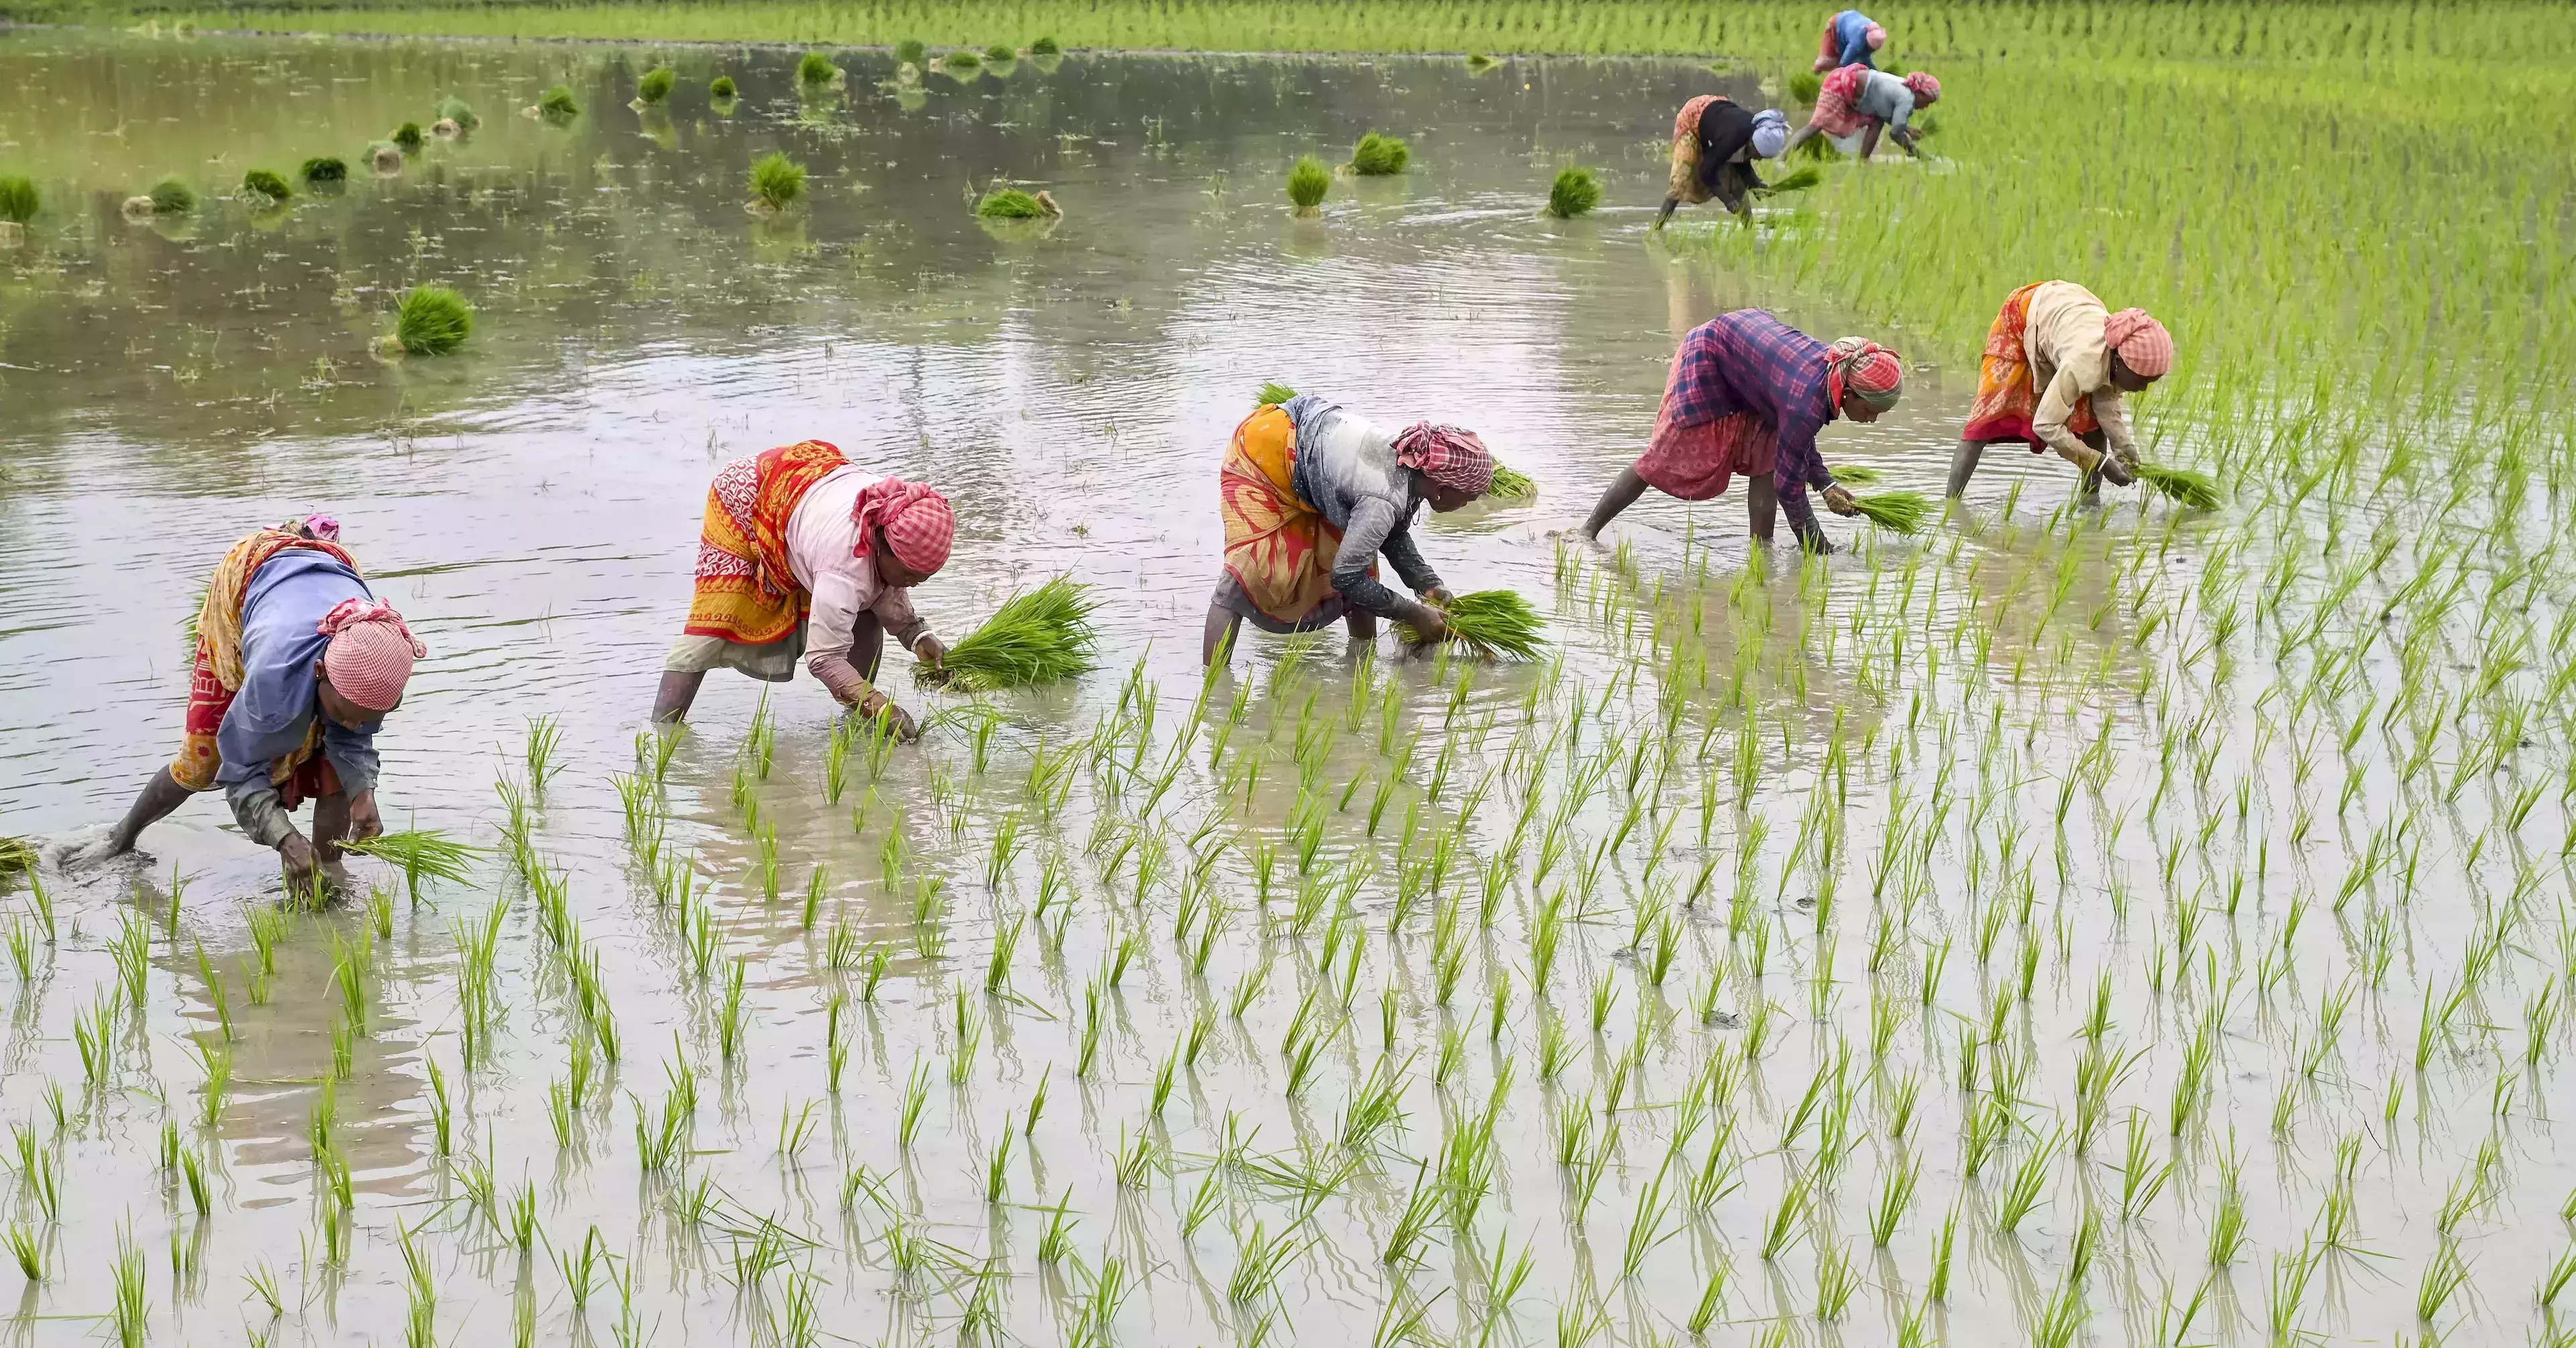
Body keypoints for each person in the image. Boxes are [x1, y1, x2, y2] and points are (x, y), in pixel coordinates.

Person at [83, 515, 423, 892]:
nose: (351, 726)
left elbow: (354, 736)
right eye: (343, 713)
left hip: (329, 573)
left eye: (367, 719)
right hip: (244, 585)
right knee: (206, 759)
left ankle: (327, 873)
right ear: (319, 671)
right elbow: (242, 771)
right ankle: (121, 837)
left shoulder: (378, 659)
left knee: (333, 767)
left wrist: (364, 794)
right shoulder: (273, 675)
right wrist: (285, 839)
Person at [652, 440, 954, 740]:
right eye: (909, 574)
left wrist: (917, 635)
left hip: (810, 486)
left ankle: (857, 722)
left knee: (865, 608)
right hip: (746, 499)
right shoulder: (844, 564)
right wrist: (881, 706)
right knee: (714, 628)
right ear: (879, 546)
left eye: (925, 577)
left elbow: (884, 588)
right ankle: (659, 733)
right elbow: (823, 658)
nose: (914, 583)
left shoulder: (894, 514)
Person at [1578, 310, 1902, 554]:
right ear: (1850, 392)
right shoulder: (1806, 399)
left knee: (1767, 458)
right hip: (1712, 355)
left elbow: (1796, 440)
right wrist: (1818, 548)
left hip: (1752, 367)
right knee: (1661, 458)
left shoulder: (1828, 377)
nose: (1872, 419)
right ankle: (1586, 532)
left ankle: (1761, 553)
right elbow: (1789, 486)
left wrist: (1826, 484)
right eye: (1872, 409)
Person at [1204, 394, 1493, 665]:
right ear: (1443, 488)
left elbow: (1392, 534)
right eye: (1469, 496)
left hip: (1315, 455)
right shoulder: (1382, 499)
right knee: (1249, 572)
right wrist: (1413, 613)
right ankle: (1213, 685)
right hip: (1265, 453)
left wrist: (1427, 584)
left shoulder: (1413, 469)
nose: (1469, 504)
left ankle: (1359, 664)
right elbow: (1346, 577)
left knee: (1362, 566)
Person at [1947, 282, 2174, 497]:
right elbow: (2045, 425)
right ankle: (1951, 506)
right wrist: (2101, 463)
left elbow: (2106, 401)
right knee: (1985, 420)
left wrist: (2124, 447)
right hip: (2026, 316)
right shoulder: (2082, 364)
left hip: (2069, 309)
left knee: (2094, 423)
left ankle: (2089, 502)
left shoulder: (2114, 356)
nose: (2142, 389)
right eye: (2140, 381)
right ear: (2118, 361)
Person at [1654, 95, 1790, 229]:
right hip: (1693, 116)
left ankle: (1749, 230)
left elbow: (1743, 165)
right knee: (1681, 183)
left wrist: (1757, 185)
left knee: (1737, 184)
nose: (1758, 159)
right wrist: (1728, 201)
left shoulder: (1753, 133)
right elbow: (1706, 171)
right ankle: (1656, 229)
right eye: (1759, 155)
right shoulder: (1730, 140)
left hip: (1719, 116)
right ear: (1752, 144)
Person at [1782, 67, 1939, 162]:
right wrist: (1920, 155)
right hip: (1840, 86)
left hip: (1851, 87)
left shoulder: (1903, 87)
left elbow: (1883, 112)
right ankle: (1782, 159)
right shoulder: (1907, 99)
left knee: (1876, 122)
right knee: (1815, 126)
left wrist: (1908, 129)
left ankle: (1862, 163)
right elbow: (1896, 134)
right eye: (1928, 101)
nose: (1926, 106)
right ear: (1920, 93)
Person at [1814, 9, 1888, 71]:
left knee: (1857, 62)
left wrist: (1876, 72)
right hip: (1836, 23)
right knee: (1829, 61)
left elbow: (1865, 58)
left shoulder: (1875, 30)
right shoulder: (1856, 43)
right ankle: (1815, 69)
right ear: (1867, 43)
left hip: (1849, 22)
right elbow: (1844, 63)